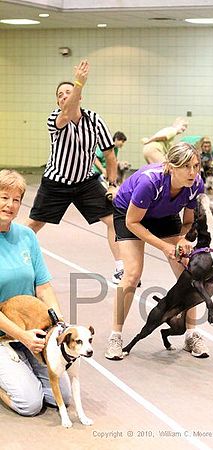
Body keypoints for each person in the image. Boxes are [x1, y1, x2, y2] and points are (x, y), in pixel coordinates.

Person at [105, 142, 210, 361]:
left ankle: (191, 334)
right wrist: (165, 246)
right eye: (186, 167)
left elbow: (188, 221)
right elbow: (133, 222)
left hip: (164, 215)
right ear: (171, 167)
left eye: (196, 166)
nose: (192, 172)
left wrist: (182, 240)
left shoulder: (195, 184)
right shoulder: (150, 182)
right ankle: (115, 336)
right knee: (132, 274)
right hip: (130, 215)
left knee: (188, 272)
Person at [26, 60, 123, 283]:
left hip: (85, 183)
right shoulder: (55, 119)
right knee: (33, 225)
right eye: (60, 94)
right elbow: (67, 115)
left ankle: (120, 267)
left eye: (69, 92)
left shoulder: (96, 120)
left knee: (113, 219)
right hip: (56, 182)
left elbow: (110, 156)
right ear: (58, 101)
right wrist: (79, 82)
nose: (64, 96)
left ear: (80, 96)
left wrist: (112, 184)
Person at [0, 169, 71, 416]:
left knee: (61, 396)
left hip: (33, 331)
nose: (10, 205)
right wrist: (22, 335)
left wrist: (59, 325)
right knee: (29, 404)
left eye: (16, 199)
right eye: (3, 197)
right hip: (4, 334)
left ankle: (21, 367)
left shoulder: (27, 236)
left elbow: (43, 286)